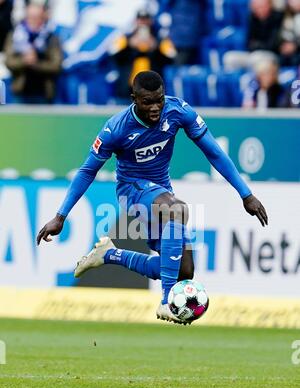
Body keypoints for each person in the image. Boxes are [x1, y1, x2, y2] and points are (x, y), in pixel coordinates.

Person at [37, 71, 268, 324]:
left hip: (161, 192)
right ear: (133, 98)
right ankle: (166, 301)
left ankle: (110, 255)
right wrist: (60, 216)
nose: (156, 107)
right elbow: (87, 171)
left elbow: (213, 152)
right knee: (178, 210)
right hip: (131, 191)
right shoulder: (116, 128)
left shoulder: (178, 111)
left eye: (159, 99)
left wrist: (246, 194)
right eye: (148, 102)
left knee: (185, 271)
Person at [110, 9, 176, 102]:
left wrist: (156, 47)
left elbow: (171, 58)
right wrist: (129, 45)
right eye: (141, 20)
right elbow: (113, 55)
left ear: (151, 21)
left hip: (153, 88)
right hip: (128, 87)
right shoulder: (125, 38)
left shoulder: (159, 39)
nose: (143, 23)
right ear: (136, 21)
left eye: (146, 20)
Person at [4, 2, 62, 103]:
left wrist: (36, 63)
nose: (33, 21)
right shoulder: (15, 35)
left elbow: (56, 65)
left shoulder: (51, 37)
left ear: (43, 18)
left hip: (44, 93)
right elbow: (8, 61)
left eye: (37, 17)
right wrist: (24, 60)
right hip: (20, 92)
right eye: (31, 17)